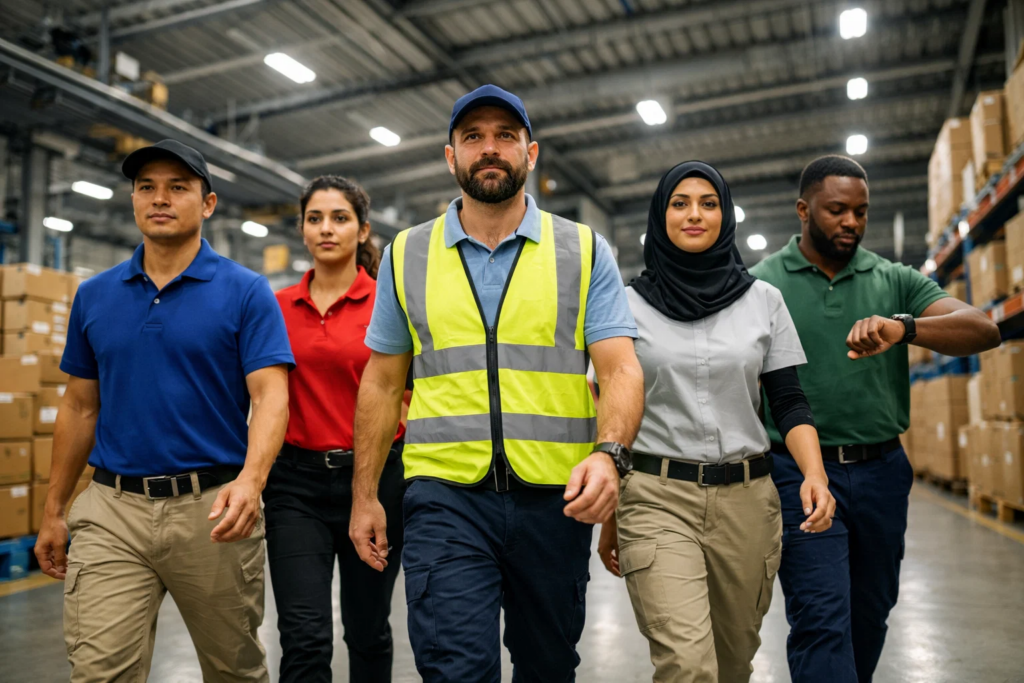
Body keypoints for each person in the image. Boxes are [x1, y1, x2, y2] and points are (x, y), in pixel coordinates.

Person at [349, 84, 646, 682]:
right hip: (444, 494)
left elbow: (619, 368)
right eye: (473, 137)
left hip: (554, 497)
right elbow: (381, 384)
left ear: (531, 154)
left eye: (505, 136)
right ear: (450, 155)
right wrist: (365, 495)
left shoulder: (584, 250)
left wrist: (610, 456)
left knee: (547, 666)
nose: (490, 148)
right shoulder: (406, 254)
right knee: (456, 668)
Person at [33, 139, 294, 682]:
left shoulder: (246, 292)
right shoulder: (96, 295)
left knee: (235, 672)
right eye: (147, 187)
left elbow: (272, 395)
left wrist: (252, 480)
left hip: (214, 509)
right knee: (99, 671)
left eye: (178, 187)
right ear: (132, 200)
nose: (160, 198)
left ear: (209, 203)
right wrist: (55, 507)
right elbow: (80, 406)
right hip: (113, 509)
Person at [750, 155, 1001, 683]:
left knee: (870, 612)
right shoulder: (762, 285)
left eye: (861, 212)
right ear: (803, 210)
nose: (852, 223)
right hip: (798, 474)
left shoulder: (893, 279)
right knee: (821, 617)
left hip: (882, 471)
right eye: (837, 210)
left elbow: (982, 328)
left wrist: (903, 327)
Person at [597, 161, 835, 683]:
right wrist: (611, 511)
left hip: (747, 503)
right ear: (660, 217)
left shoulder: (764, 301)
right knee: (687, 665)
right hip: (656, 497)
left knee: (731, 666)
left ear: (725, 215)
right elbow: (612, 411)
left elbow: (789, 401)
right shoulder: (625, 305)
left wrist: (814, 475)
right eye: (679, 203)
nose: (694, 214)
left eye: (709, 203)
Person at [267, 176, 405, 683]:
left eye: (340, 218)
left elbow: (406, 386)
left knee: (368, 630)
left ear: (363, 230)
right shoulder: (275, 307)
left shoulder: (387, 303)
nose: (327, 228)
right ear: (303, 229)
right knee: (303, 635)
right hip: (295, 486)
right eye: (315, 218)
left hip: (376, 482)